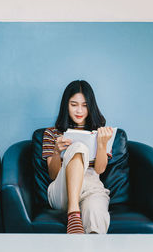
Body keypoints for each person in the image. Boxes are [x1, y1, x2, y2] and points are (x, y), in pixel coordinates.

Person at [42, 80, 113, 234]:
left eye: (85, 105)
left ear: (91, 106)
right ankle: (73, 212)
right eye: (74, 105)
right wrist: (56, 152)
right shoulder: (51, 133)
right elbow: (53, 175)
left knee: (96, 214)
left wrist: (101, 145)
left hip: (91, 187)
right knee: (78, 147)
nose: (79, 110)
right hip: (62, 189)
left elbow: (100, 170)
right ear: (66, 105)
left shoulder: (101, 132)